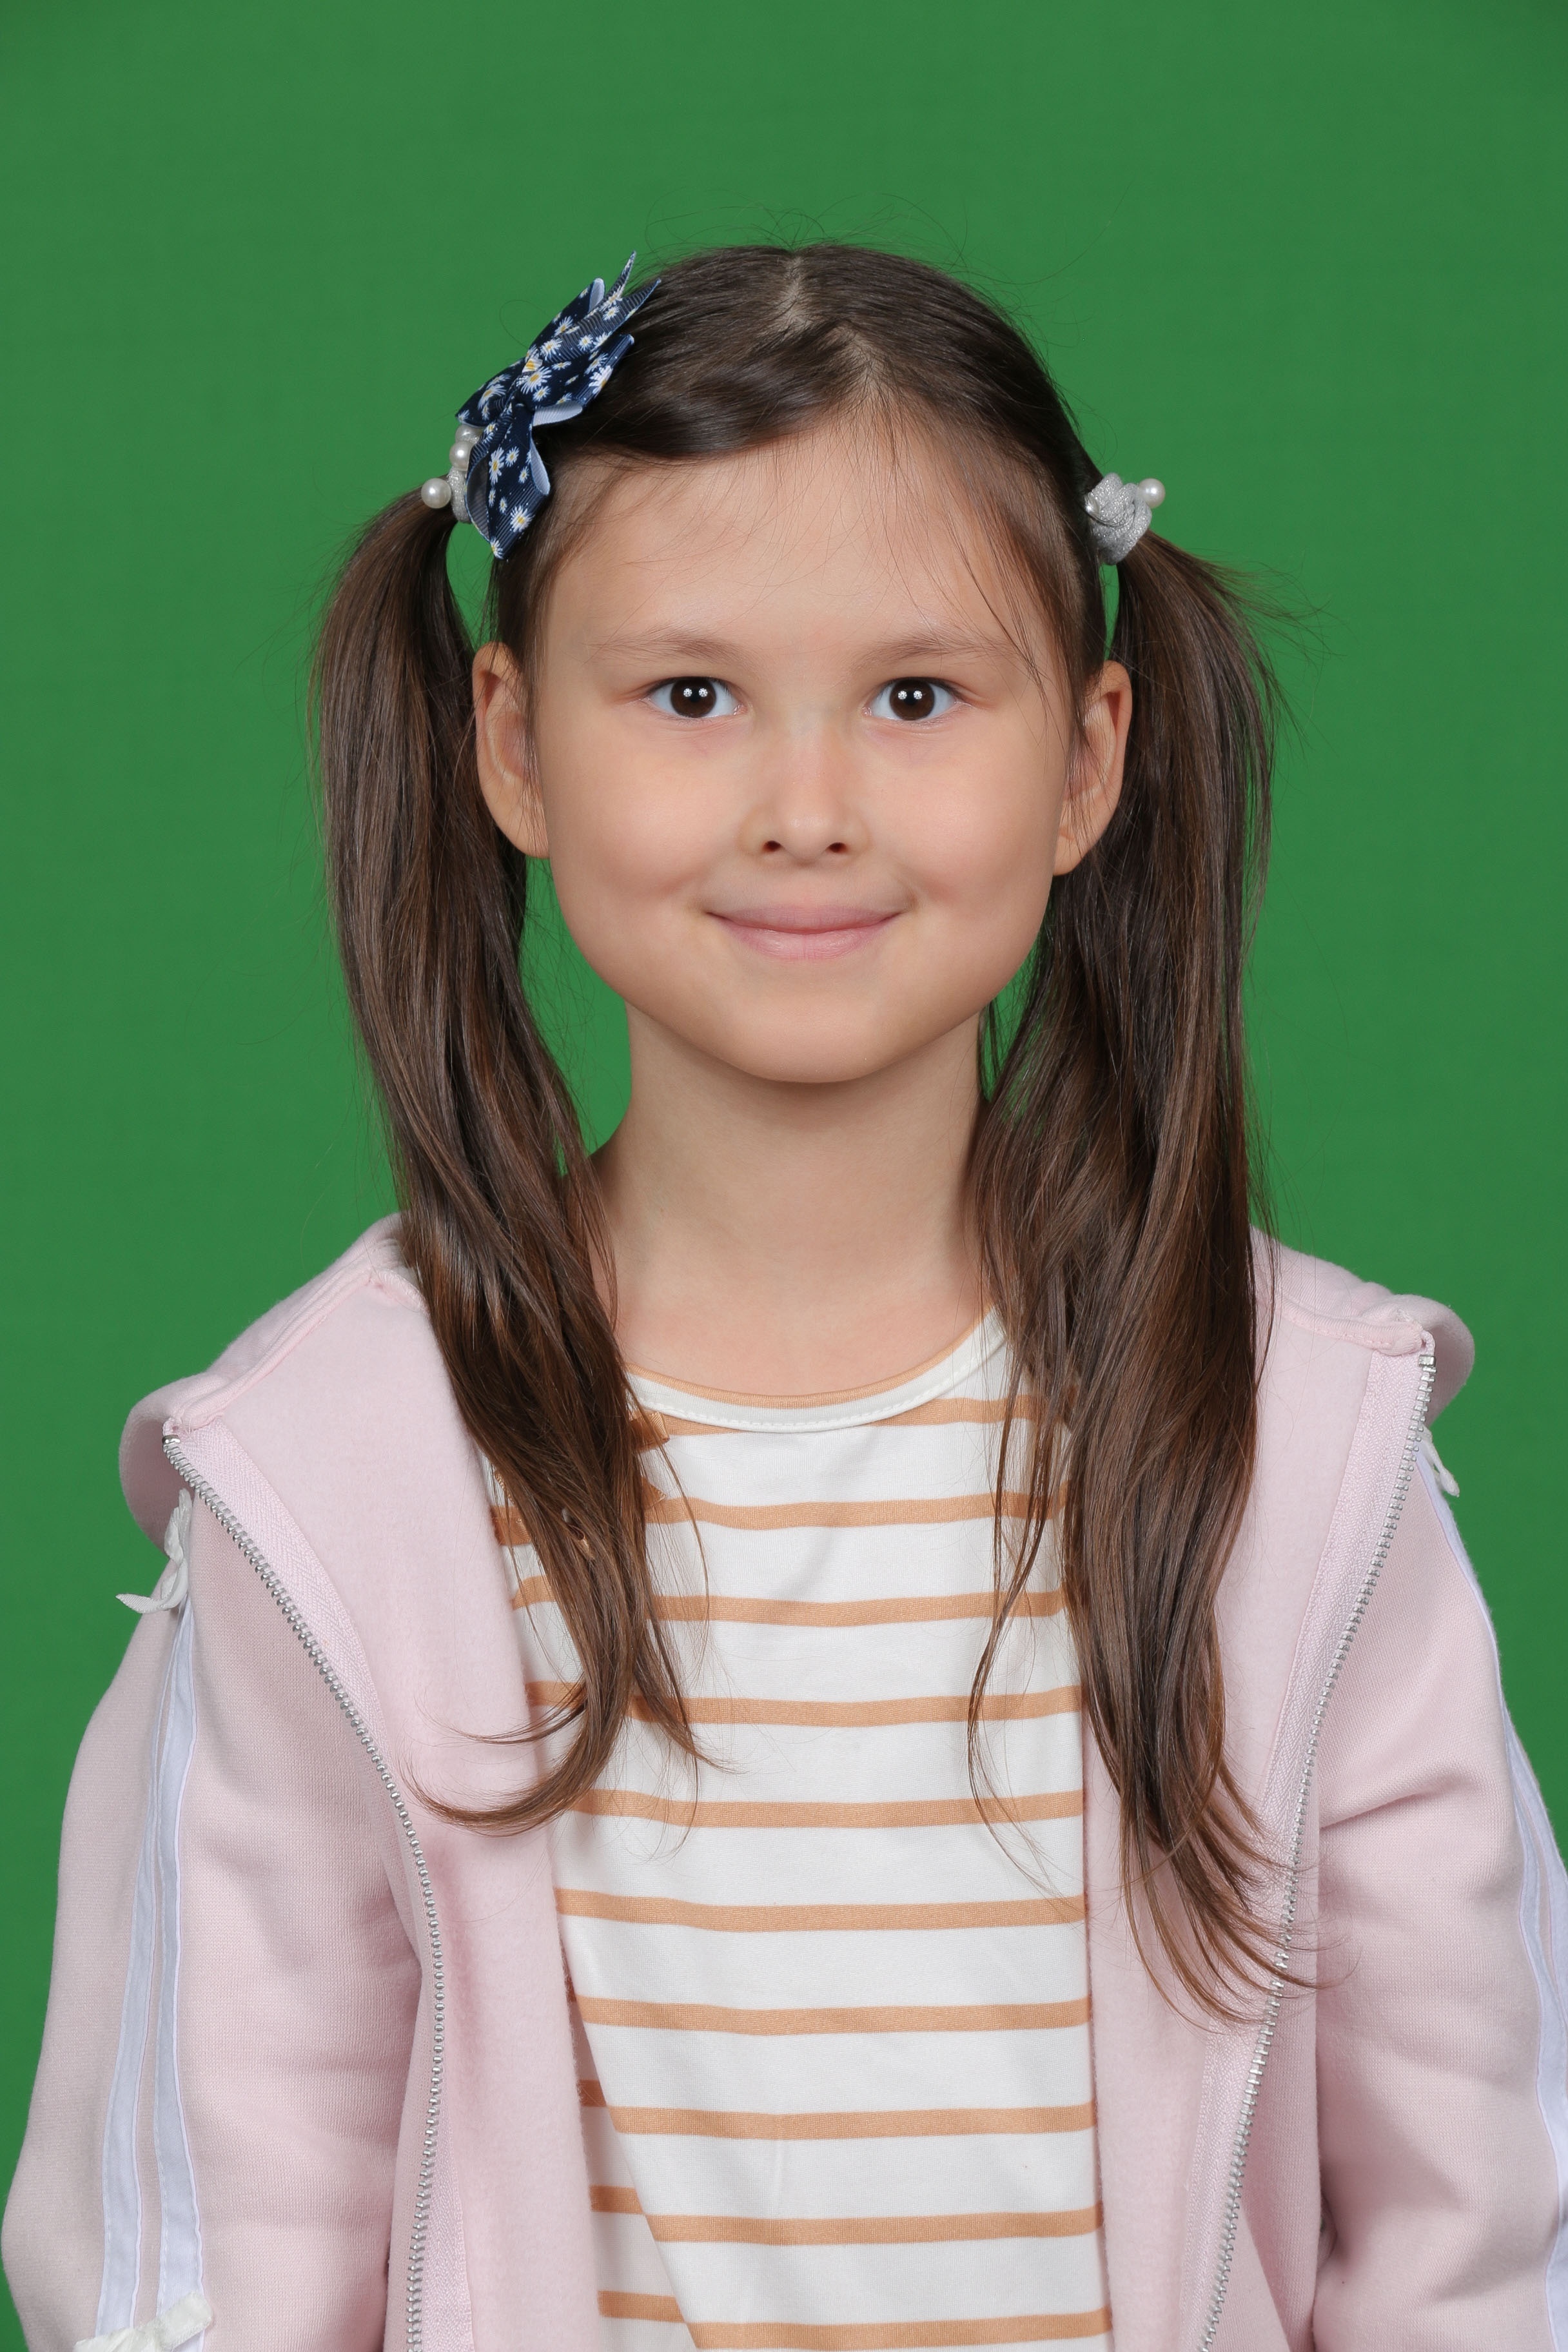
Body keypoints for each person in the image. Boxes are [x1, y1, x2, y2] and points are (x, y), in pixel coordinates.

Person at [5, 243, 1564, 2352]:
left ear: (1088, 759)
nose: (808, 812)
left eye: (918, 698)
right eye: (690, 696)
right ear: (512, 745)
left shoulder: (1298, 1447)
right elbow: (206, 2274)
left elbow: (1483, 2236)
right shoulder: (339, 1485)